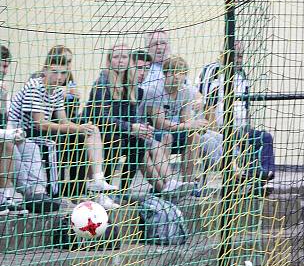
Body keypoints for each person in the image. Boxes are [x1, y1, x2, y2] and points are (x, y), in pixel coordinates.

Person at [8, 49, 119, 209]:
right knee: (53, 144)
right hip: (22, 133)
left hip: (37, 132)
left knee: (91, 130)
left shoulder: (57, 91)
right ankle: (55, 195)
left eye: (63, 73)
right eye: (54, 72)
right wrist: (76, 129)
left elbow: (63, 120)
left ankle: (98, 181)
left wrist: (82, 128)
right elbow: (40, 123)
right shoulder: (34, 86)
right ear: (45, 69)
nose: (59, 77)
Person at [88, 49, 187, 195]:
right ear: (130, 66)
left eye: (147, 69)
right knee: (134, 142)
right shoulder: (107, 84)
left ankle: (168, 184)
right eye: (139, 68)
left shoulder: (138, 91)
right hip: (105, 132)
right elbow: (102, 118)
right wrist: (134, 127)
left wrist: (142, 127)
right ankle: (163, 187)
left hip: (127, 132)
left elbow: (134, 118)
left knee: (148, 141)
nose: (143, 73)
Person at [197, 40, 275, 181]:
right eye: (236, 56)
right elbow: (208, 107)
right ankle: (251, 176)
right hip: (218, 130)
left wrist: (246, 130)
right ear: (224, 54)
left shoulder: (241, 74)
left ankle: (263, 178)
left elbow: (246, 108)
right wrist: (223, 135)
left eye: (241, 56)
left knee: (265, 138)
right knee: (235, 147)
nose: (239, 59)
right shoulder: (214, 71)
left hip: (239, 130)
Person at [143, 56, 208, 184]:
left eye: (181, 73)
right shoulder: (155, 90)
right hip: (151, 132)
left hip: (173, 129)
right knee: (167, 137)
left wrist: (197, 126)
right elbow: (159, 123)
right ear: (165, 73)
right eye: (173, 72)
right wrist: (189, 125)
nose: (177, 76)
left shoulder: (185, 91)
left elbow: (186, 120)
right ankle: (166, 183)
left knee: (193, 136)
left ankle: (188, 183)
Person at [0, 45, 28, 214]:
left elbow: (7, 121)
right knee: (8, 144)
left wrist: (15, 132)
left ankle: (36, 192)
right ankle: (9, 195)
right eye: (4, 65)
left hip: (3, 135)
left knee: (29, 146)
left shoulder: (3, 90)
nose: (6, 70)